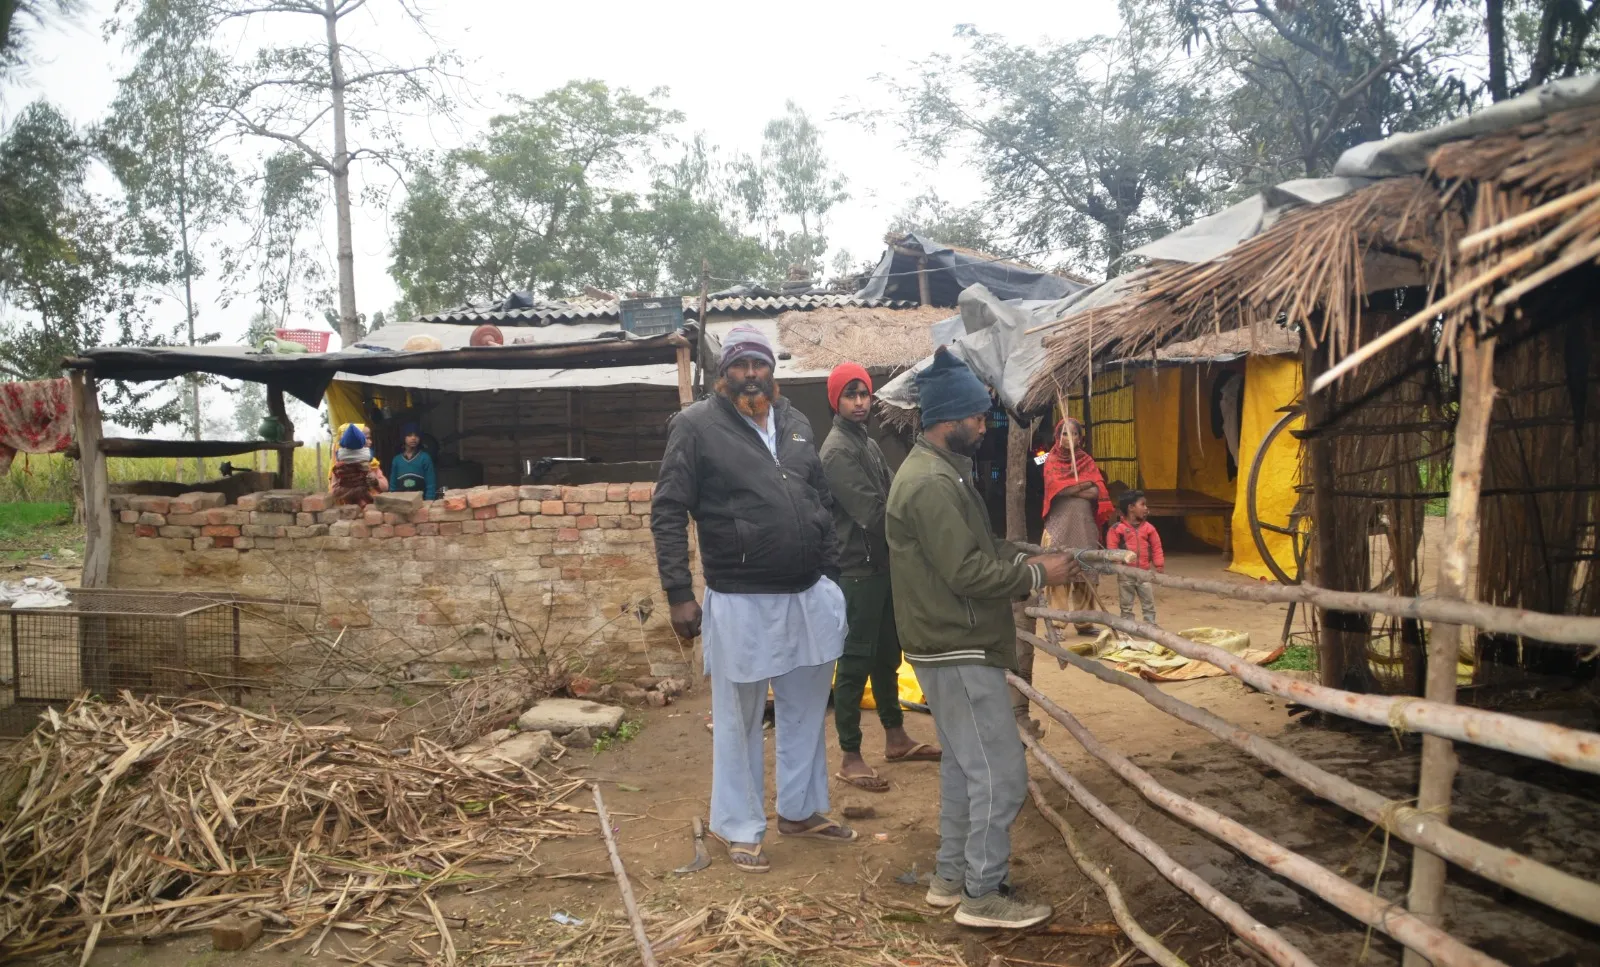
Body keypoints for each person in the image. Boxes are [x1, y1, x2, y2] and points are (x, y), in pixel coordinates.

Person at [652, 323, 856, 875]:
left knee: (806, 709)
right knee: (739, 718)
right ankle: (738, 826)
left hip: (809, 591)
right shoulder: (695, 426)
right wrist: (678, 591)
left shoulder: (794, 422)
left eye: (760, 364)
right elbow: (669, 509)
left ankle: (802, 809)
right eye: (740, 365)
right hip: (740, 595)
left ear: (772, 370)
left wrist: (830, 573)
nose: (751, 374)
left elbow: (818, 498)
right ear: (724, 375)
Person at [887, 347, 1073, 930]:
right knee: (1000, 772)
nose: (982, 425)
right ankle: (982, 893)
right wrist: (1043, 573)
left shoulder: (940, 473)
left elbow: (979, 548)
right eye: (975, 417)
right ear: (948, 419)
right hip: (956, 643)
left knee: (964, 768)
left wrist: (1026, 554)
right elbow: (966, 573)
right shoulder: (931, 485)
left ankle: (951, 877)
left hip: (945, 640)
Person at [820, 362, 941, 794]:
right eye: (850, 395)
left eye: (864, 395)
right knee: (854, 662)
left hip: (883, 565)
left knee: (888, 654)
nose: (858, 402)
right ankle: (850, 755)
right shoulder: (836, 451)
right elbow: (872, 512)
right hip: (857, 570)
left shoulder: (866, 443)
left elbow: (892, 496)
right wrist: (915, 534)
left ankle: (895, 737)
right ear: (836, 400)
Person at [1037, 417, 1114, 638]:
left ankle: (1085, 623)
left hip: (1085, 526)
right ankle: (1058, 625)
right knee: (1059, 574)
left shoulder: (1087, 461)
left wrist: (1071, 486)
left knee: (1086, 573)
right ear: (1057, 437)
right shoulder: (1050, 460)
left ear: (1080, 438)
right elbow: (1056, 490)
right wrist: (1083, 485)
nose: (1068, 438)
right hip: (1059, 525)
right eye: (1064, 434)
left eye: (1073, 434)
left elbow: (1098, 491)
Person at [1106, 489, 1164, 625]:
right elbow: (1112, 549)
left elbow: (1156, 546)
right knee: (1126, 605)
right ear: (1131, 508)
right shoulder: (1117, 529)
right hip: (1125, 574)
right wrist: (1117, 565)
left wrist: (1159, 563)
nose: (1146, 508)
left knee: (1148, 603)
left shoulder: (1149, 528)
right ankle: (1128, 627)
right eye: (1142, 505)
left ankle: (1150, 627)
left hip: (1144, 573)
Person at [330, 423, 387, 506]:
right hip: (348, 510)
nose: (370, 442)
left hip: (372, 508)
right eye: (366, 438)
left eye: (369, 438)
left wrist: (375, 481)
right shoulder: (340, 468)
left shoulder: (372, 464)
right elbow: (334, 491)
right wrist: (351, 487)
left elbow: (385, 487)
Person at [390, 424, 438, 499]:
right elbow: (393, 485)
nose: (413, 438)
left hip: (421, 502)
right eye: (409, 435)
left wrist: (429, 502)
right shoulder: (397, 460)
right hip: (402, 502)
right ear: (403, 437)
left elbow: (431, 484)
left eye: (416, 435)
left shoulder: (425, 458)